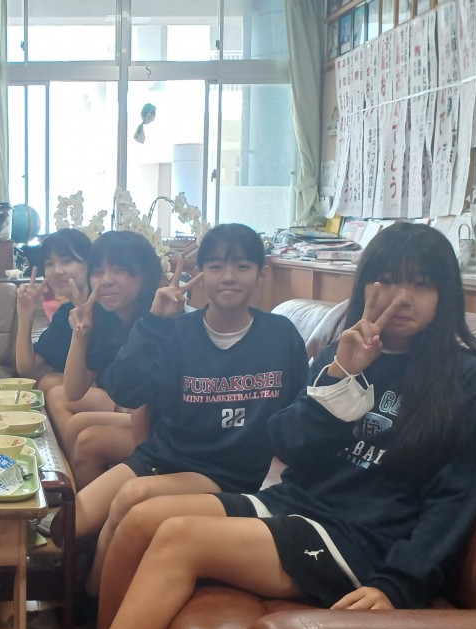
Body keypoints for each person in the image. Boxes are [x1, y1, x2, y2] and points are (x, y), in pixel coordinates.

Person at [83, 222, 476, 629]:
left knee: (177, 539)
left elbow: (454, 499)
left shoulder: (467, 379)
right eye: (388, 280)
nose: (402, 298)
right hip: (297, 503)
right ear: (366, 286)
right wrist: (340, 376)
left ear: (445, 294)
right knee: (142, 520)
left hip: (363, 539)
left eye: (421, 284)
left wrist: (397, 584)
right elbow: (288, 443)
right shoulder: (342, 353)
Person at [72, 224, 308, 594]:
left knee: (133, 497)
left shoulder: (281, 336)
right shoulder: (175, 330)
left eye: (242, 267)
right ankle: (71, 590)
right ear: (201, 274)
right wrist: (153, 324)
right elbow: (125, 391)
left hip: (225, 471)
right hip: (162, 456)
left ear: (261, 275)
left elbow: (298, 418)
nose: (228, 277)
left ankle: (86, 605)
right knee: (70, 521)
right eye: (215, 267)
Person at [44, 231, 162, 457]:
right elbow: (73, 391)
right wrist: (80, 334)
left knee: (88, 438)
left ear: (145, 274)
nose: (106, 281)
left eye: (119, 270)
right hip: (136, 416)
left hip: (166, 428)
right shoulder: (108, 321)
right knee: (76, 425)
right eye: (98, 272)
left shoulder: (158, 319)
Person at [14, 228, 94, 393]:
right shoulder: (65, 314)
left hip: (119, 397)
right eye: (49, 264)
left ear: (89, 264)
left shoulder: (104, 308)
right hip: (81, 395)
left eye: (67, 261)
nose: (57, 271)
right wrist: (25, 317)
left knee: (53, 388)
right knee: (47, 382)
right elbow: (27, 370)